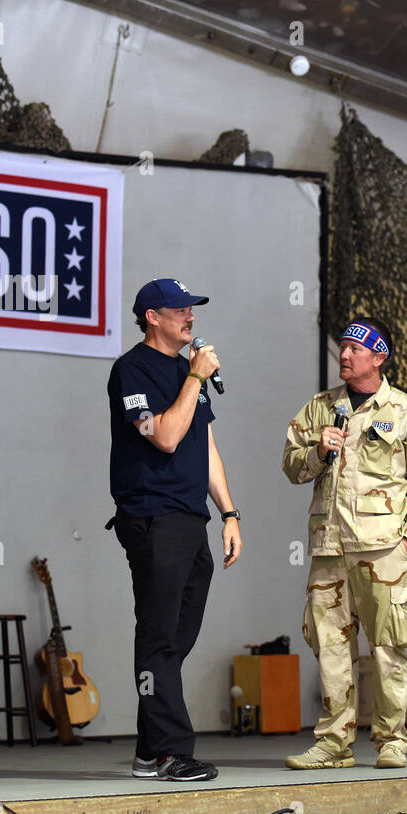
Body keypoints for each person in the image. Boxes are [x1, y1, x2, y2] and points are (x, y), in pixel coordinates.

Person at [282, 319, 407, 769]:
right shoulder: (320, 408)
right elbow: (291, 466)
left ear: (379, 357)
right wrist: (318, 450)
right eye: (343, 348)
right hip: (329, 549)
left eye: (355, 349)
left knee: (388, 644)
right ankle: (334, 743)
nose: (345, 356)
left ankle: (392, 739)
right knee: (330, 645)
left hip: (383, 550)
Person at [107, 278, 243, 781]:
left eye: (193, 309)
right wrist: (194, 379)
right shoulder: (132, 370)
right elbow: (164, 436)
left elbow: (203, 447)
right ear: (152, 318)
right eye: (179, 309)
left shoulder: (192, 376)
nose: (190, 316)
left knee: (176, 639)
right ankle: (169, 751)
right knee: (160, 637)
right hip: (152, 518)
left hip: (192, 519)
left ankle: (148, 748)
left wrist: (229, 514)